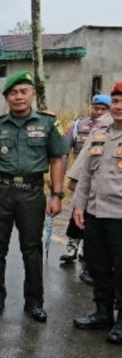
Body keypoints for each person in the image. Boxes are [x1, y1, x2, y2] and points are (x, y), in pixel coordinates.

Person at [0, 70, 67, 322]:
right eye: (13, 93)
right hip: (0, 192)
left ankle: (34, 302)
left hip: (32, 192)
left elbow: (57, 159)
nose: (18, 97)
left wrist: (57, 195)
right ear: (6, 97)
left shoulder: (47, 124)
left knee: (32, 249)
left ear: (33, 95)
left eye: (23, 91)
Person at [71, 82, 122, 344]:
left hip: (119, 216)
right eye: (115, 101)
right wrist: (79, 205)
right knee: (98, 266)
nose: (118, 106)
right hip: (95, 213)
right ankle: (103, 312)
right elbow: (86, 176)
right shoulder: (100, 133)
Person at [59, 94, 112, 268]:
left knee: (96, 221)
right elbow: (64, 151)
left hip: (105, 184)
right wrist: (63, 177)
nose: (98, 112)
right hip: (83, 180)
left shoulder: (112, 128)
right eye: (95, 108)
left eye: (103, 109)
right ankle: (72, 246)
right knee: (77, 216)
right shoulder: (77, 126)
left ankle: (86, 249)